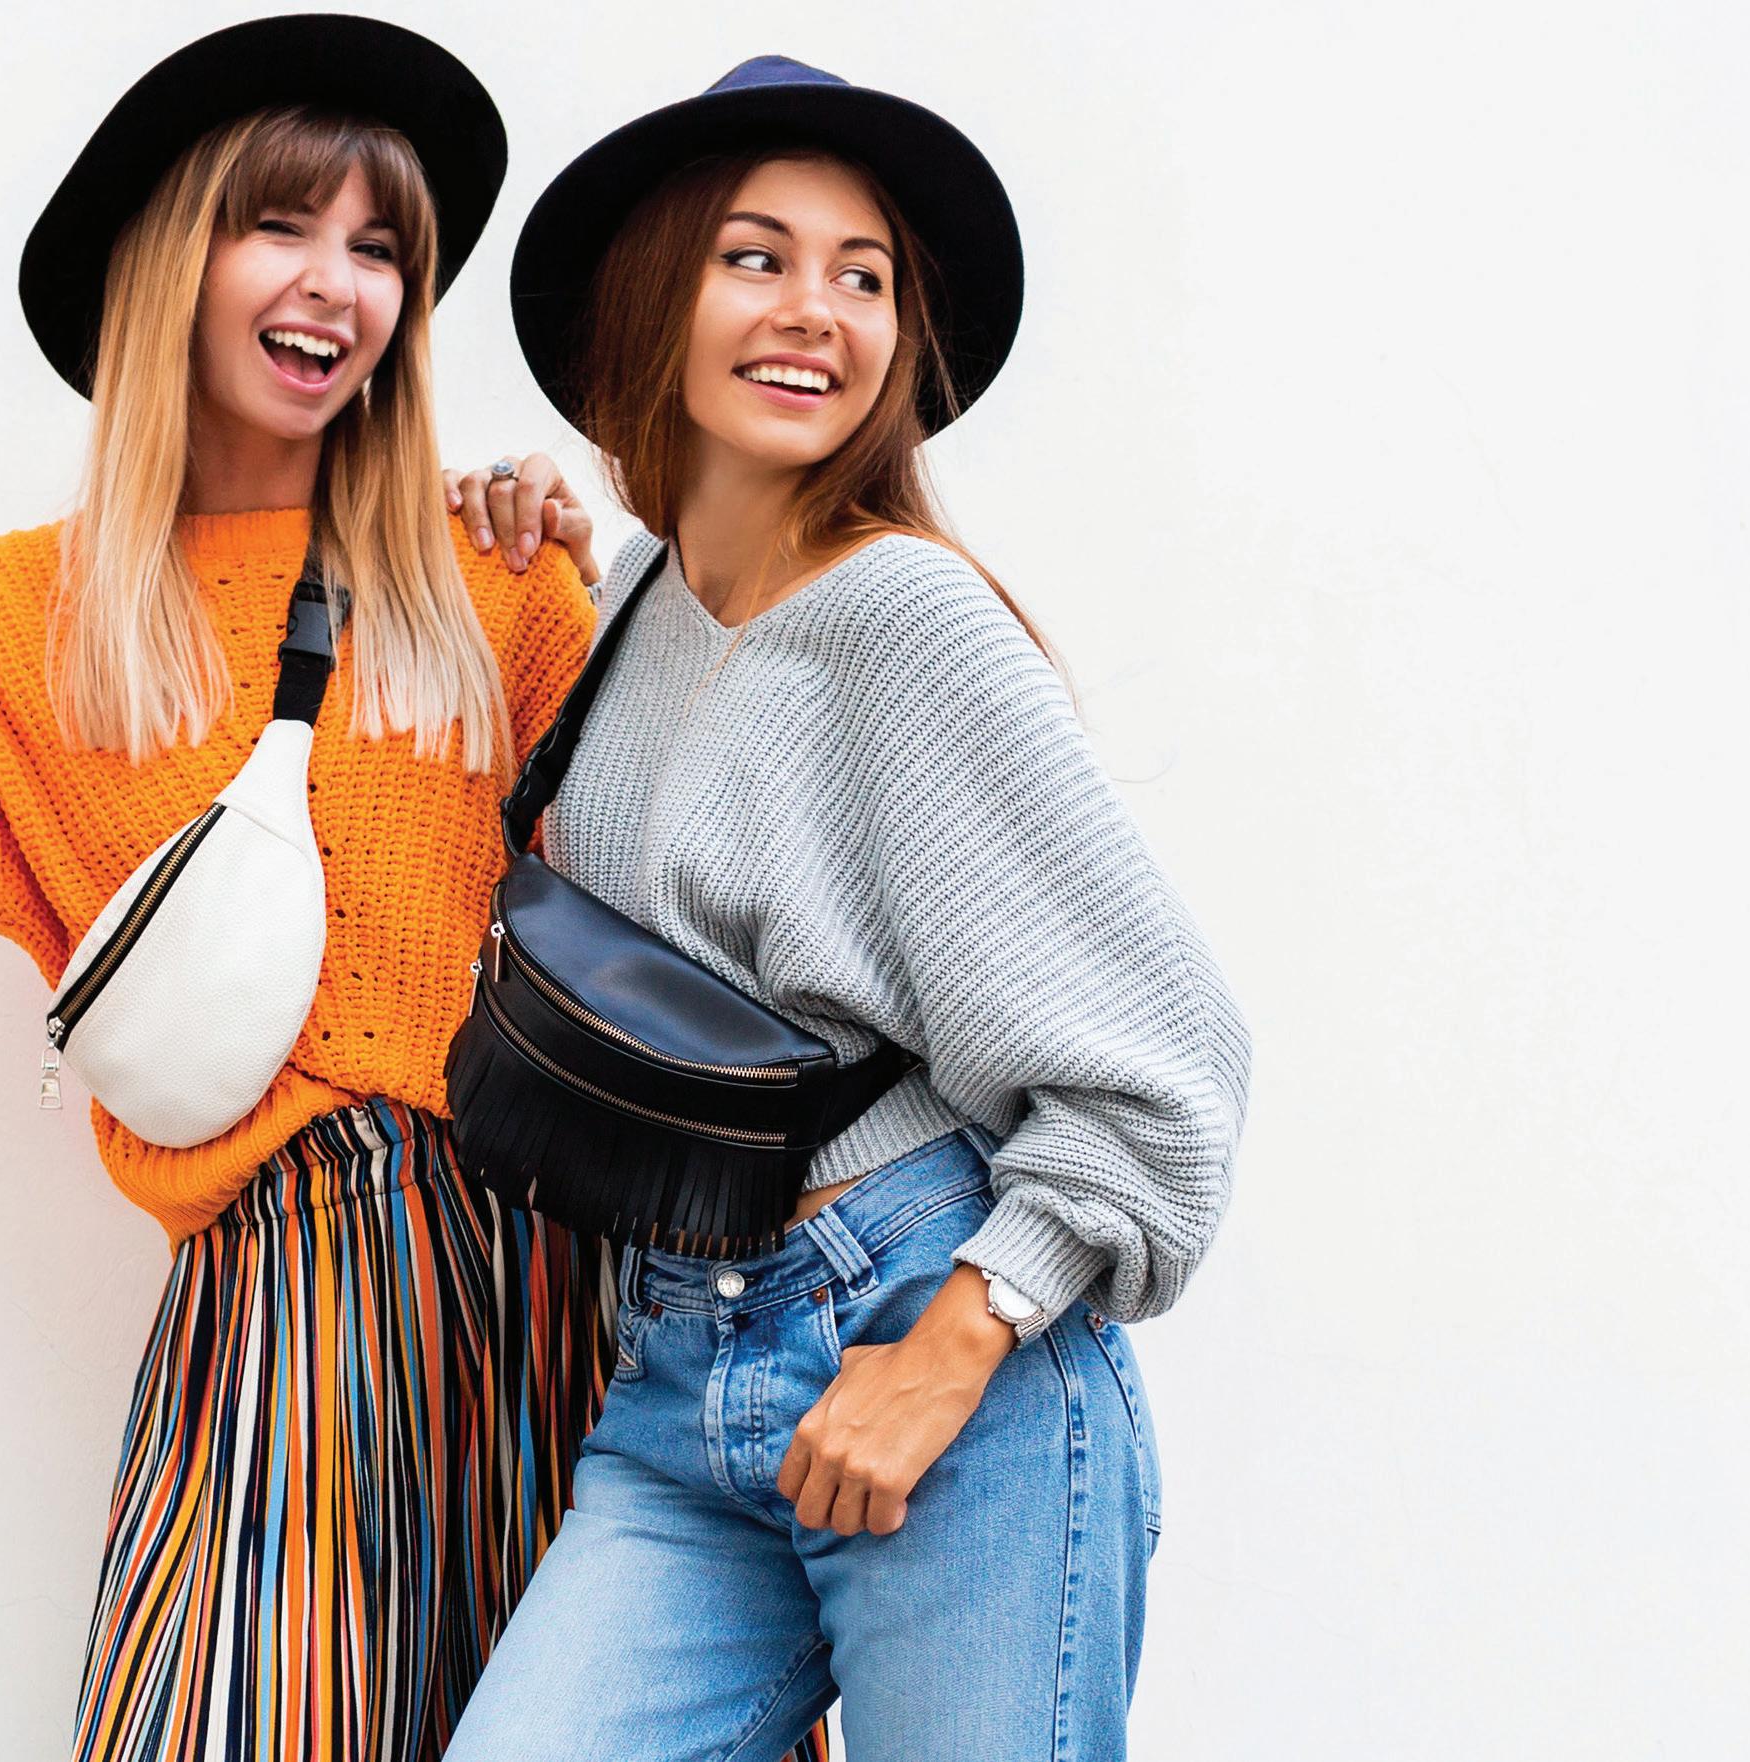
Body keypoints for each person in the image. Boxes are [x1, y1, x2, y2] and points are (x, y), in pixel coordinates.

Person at [0, 19, 699, 1761]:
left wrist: (606, 584)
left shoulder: (486, 582)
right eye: (279, 224)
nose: (336, 282)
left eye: (380, 247)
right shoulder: (27, 618)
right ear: (170, 262)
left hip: (564, 1294)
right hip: (285, 1300)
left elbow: (677, 904)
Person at [441, 57, 1251, 1762]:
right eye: (757, 257)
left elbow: (1174, 1067)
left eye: (862, 276)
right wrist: (528, 537)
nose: (817, 308)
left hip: (929, 1344)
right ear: (655, 302)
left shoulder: (906, 619)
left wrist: (954, 1345)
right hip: (682, 1367)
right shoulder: (636, 601)